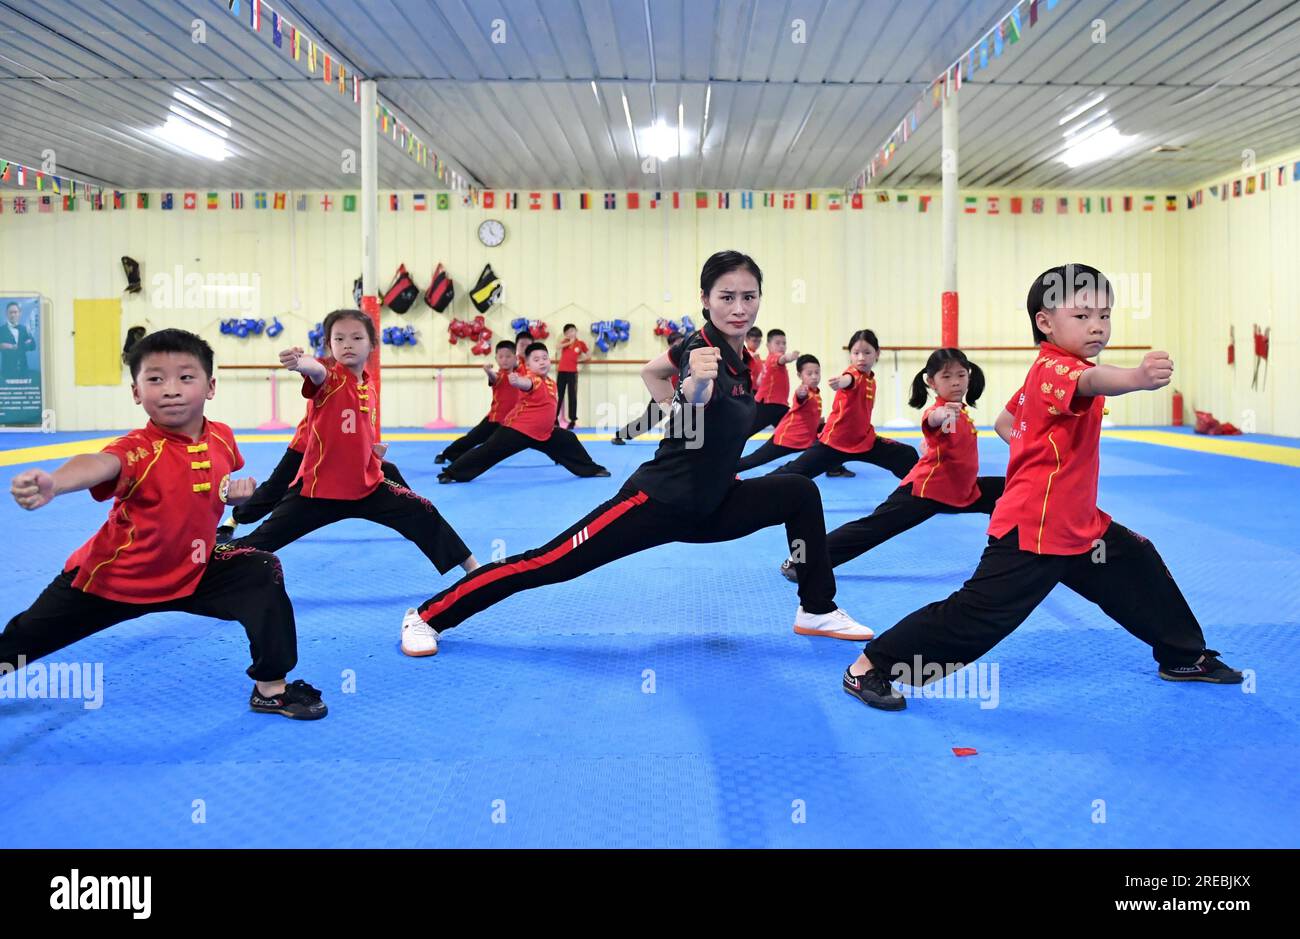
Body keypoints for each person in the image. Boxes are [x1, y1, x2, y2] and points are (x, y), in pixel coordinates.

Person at [397, 251, 874, 657]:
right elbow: (693, 393)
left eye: (748, 296)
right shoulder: (700, 351)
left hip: (714, 504)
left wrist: (668, 403)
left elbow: (651, 372)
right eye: (726, 297)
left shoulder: (743, 360)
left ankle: (817, 607)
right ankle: (427, 615)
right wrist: (693, 388)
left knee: (799, 492)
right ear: (705, 300)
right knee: (548, 563)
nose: (739, 307)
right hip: (657, 503)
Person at [841, 264, 1244, 711]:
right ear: (1045, 323)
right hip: (1034, 532)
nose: (1098, 326)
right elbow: (1091, 381)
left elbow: (1005, 421)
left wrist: (1036, 452)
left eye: (1105, 315)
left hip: (1078, 527)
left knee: (1138, 562)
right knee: (979, 616)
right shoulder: (1058, 369)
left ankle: (1183, 656)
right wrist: (1136, 378)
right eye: (1083, 315)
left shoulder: (1045, 372)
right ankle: (871, 666)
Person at [3, 328, 326, 719]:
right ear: (137, 392)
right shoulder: (138, 449)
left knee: (261, 569)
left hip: (194, 571)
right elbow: (101, 463)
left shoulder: (222, 438)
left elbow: (202, 486)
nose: (171, 389)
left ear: (210, 387)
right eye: (155, 379)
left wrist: (233, 497)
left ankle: (271, 689)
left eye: (185, 377)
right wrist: (56, 482)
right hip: (116, 581)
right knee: (22, 640)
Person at [228, 310, 479, 650]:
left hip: (367, 486)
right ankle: (209, 560)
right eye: (339, 339)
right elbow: (315, 372)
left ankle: (474, 567)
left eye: (357, 338)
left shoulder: (368, 384)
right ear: (328, 345)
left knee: (423, 510)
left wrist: (372, 448)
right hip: (318, 493)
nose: (348, 345)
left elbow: (358, 423)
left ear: (373, 345)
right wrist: (302, 362)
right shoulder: (329, 376)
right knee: (263, 539)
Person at [779, 348, 1004, 580]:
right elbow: (935, 420)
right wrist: (942, 418)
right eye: (946, 377)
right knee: (871, 529)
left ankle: (1000, 562)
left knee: (1007, 492)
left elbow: (946, 439)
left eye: (961, 375)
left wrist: (929, 445)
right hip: (926, 492)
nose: (956, 382)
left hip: (962, 491)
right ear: (931, 382)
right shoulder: (942, 411)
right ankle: (799, 559)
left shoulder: (959, 412)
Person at [437, 341, 611, 483]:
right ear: (527, 364)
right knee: (488, 451)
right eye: (536, 359)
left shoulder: (550, 381)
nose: (542, 361)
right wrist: (517, 381)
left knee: (568, 440)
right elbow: (526, 384)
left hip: (544, 434)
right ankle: (452, 473)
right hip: (517, 431)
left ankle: (591, 469)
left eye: (545, 358)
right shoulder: (531, 379)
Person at [769, 329, 919, 482]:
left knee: (906, 454)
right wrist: (841, 381)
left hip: (864, 440)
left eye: (867, 352)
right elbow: (850, 379)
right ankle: (758, 489)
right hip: (835, 442)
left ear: (877, 353)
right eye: (856, 353)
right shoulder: (853, 374)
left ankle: (917, 492)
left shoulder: (870, 379)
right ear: (850, 355)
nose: (861, 358)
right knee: (793, 472)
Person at [435, 341, 519, 466]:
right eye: (501, 357)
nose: (504, 360)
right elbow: (493, 377)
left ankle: (557, 454)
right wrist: (487, 371)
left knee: (532, 439)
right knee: (472, 439)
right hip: (495, 419)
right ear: (496, 359)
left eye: (508, 356)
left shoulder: (520, 375)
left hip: (514, 420)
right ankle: (446, 453)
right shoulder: (498, 376)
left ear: (515, 358)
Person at [737, 354, 821, 472]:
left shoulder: (815, 392)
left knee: (826, 447)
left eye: (817, 373)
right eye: (809, 373)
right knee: (754, 460)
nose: (814, 377)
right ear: (799, 375)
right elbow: (800, 396)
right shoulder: (804, 391)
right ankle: (724, 470)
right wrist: (800, 393)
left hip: (804, 440)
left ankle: (834, 468)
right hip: (787, 439)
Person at [747, 328, 799, 437]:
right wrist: (791, 357)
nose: (781, 346)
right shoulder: (774, 358)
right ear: (768, 345)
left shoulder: (766, 361)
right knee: (745, 432)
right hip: (768, 405)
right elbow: (783, 358)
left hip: (776, 406)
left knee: (790, 433)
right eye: (777, 343)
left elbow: (759, 381)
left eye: (784, 343)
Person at [555, 323, 591, 429]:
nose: (571, 333)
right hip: (561, 371)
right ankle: (554, 418)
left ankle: (573, 420)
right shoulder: (564, 342)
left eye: (572, 331)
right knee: (558, 395)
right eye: (568, 332)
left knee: (572, 395)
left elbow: (588, 355)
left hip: (572, 372)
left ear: (576, 331)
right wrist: (568, 342)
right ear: (565, 334)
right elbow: (557, 347)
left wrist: (579, 359)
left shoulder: (580, 343)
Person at [1, 302, 36, 379]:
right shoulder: (1, 330)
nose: (13, 315)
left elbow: (33, 346)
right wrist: (7, 346)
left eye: (15, 312)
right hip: (7, 372)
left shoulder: (25, 329)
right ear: (6, 314)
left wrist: (12, 346)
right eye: (10, 312)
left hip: (24, 371)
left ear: (20, 313)